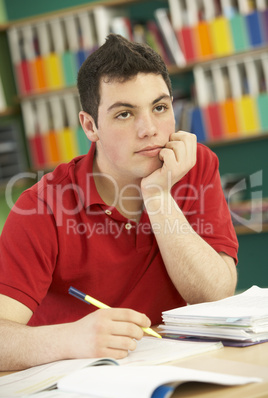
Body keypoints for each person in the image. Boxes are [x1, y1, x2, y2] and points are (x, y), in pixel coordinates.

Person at [0, 34, 238, 371]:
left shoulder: (193, 164)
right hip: (75, 379)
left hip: (166, 366)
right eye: (125, 114)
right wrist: (71, 339)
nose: (150, 130)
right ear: (90, 126)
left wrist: (157, 196)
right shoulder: (42, 207)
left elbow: (215, 295)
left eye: (160, 107)